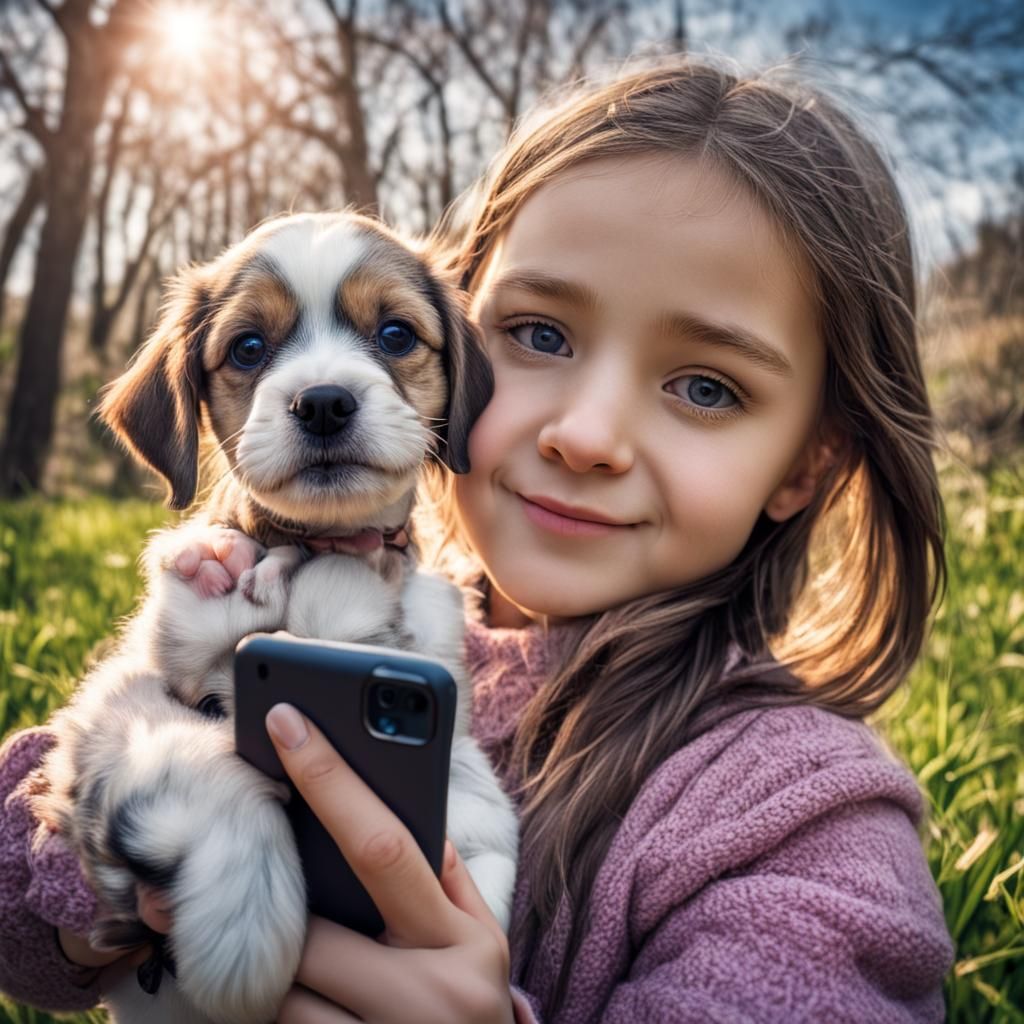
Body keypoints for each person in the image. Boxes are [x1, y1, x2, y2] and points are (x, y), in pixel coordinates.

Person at [0, 58, 954, 1022]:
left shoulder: (808, 824)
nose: (586, 435)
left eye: (707, 386)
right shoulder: (254, 597)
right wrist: (116, 877)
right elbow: (22, 910)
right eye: (540, 334)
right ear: (472, 347)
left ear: (807, 463)